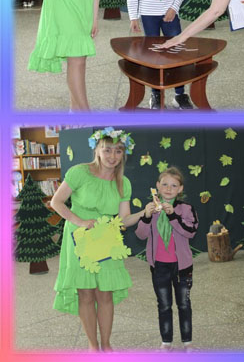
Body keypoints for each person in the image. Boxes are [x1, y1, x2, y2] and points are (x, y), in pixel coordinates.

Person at [49, 129, 145, 350]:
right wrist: (80, 221)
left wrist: (144, 213)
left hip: (106, 240)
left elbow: (123, 220)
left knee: (105, 294)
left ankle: (106, 345)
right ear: (97, 150)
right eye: (107, 150)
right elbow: (56, 202)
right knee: (85, 294)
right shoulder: (79, 172)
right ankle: (93, 346)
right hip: (79, 239)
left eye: (118, 151)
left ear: (123, 154)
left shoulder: (123, 183)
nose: (113, 156)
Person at [135, 166, 198, 350]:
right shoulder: (152, 209)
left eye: (174, 185)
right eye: (164, 184)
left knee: (184, 304)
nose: (169, 189)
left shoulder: (186, 209)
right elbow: (140, 234)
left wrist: (173, 216)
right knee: (164, 305)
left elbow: (190, 231)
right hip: (159, 266)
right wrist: (146, 216)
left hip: (182, 267)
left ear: (180, 189)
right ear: (157, 186)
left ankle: (187, 342)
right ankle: (166, 342)